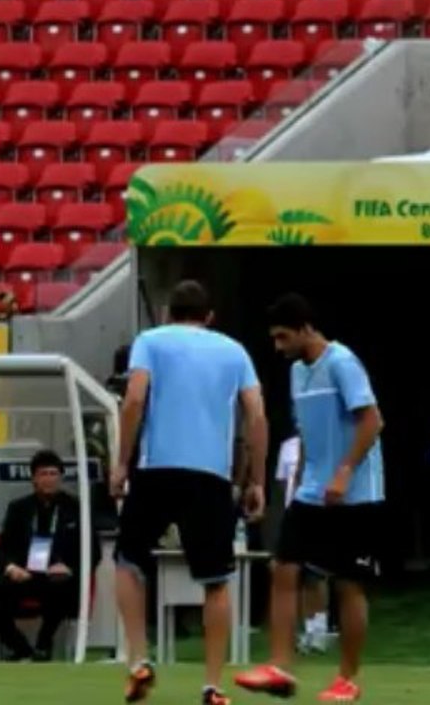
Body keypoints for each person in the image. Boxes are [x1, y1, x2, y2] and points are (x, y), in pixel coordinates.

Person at [110, 280, 268, 705]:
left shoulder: (150, 340)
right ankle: (213, 685)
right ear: (210, 316)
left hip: (157, 467)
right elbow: (256, 415)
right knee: (216, 581)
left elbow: (134, 400)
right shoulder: (233, 350)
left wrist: (121, 462)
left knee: (128, 561)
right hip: (210, 475)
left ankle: (139, 659)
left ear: (167, 312)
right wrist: (256, 479)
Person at [236, 293, 386, 703]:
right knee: (284, 569)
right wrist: (300, 480)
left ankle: (347, 680)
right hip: (311, 492)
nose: (278, 347)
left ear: (305, 328)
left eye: (284, 337)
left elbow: (372, 420)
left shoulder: (341, 362)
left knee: (348, 584)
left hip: (355, 494)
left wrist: (344, 471)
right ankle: (281, 667)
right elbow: (307, 432)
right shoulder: (296, 373)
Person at [0, 449, 101, 662]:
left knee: (60, 585)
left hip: (58, 577)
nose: (49, 479)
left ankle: (43, 644)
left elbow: (92, 551)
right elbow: (2, 549)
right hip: (25, 574)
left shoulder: (76, 508)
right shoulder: (19, 508)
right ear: (34, 478)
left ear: (60, 477)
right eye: (43, 474)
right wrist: (12, 567)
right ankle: (19, 646)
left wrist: (70, 567)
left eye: (53, 474)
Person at [275, 432, 330, 655]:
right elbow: (282, 482)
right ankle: (307, 630)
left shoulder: (323, 442)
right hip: (294, 513)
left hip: (316, 511)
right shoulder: (287, 446)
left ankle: (320, 630)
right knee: (295, 575)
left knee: (316, 575)